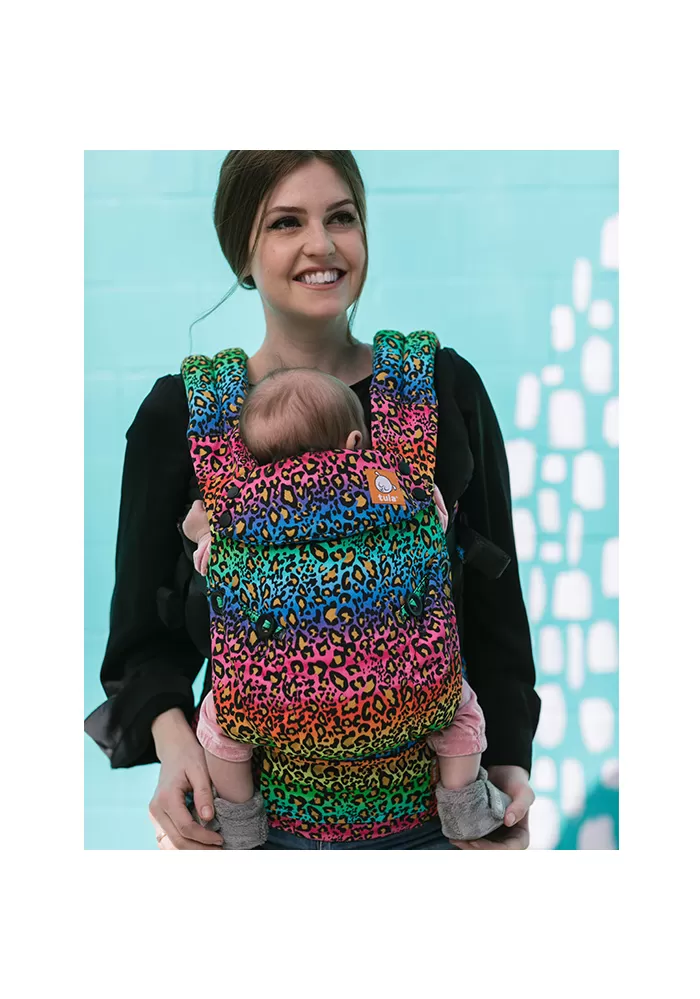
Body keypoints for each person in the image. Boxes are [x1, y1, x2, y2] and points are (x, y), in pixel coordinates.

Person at [84, 150, 541, 850]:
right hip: (252, 828)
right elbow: (141, 643)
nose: (321, 244)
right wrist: (176, 746)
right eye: (285, 222)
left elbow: (494, 612)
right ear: (241, 251)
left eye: (342, 217)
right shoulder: (185, 414)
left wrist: (507, 769)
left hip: (433, 827)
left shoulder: (438, 389)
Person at [181, 365, 497, 848]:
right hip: (405, 694)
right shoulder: (395, 487)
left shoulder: (236, 513)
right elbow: (434, 520)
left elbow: (210, 563)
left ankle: (240, 825)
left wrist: (200, 532)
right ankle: (465, 811)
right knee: (460, 710)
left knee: (220, 726)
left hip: (273, 705)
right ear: (354, 441)